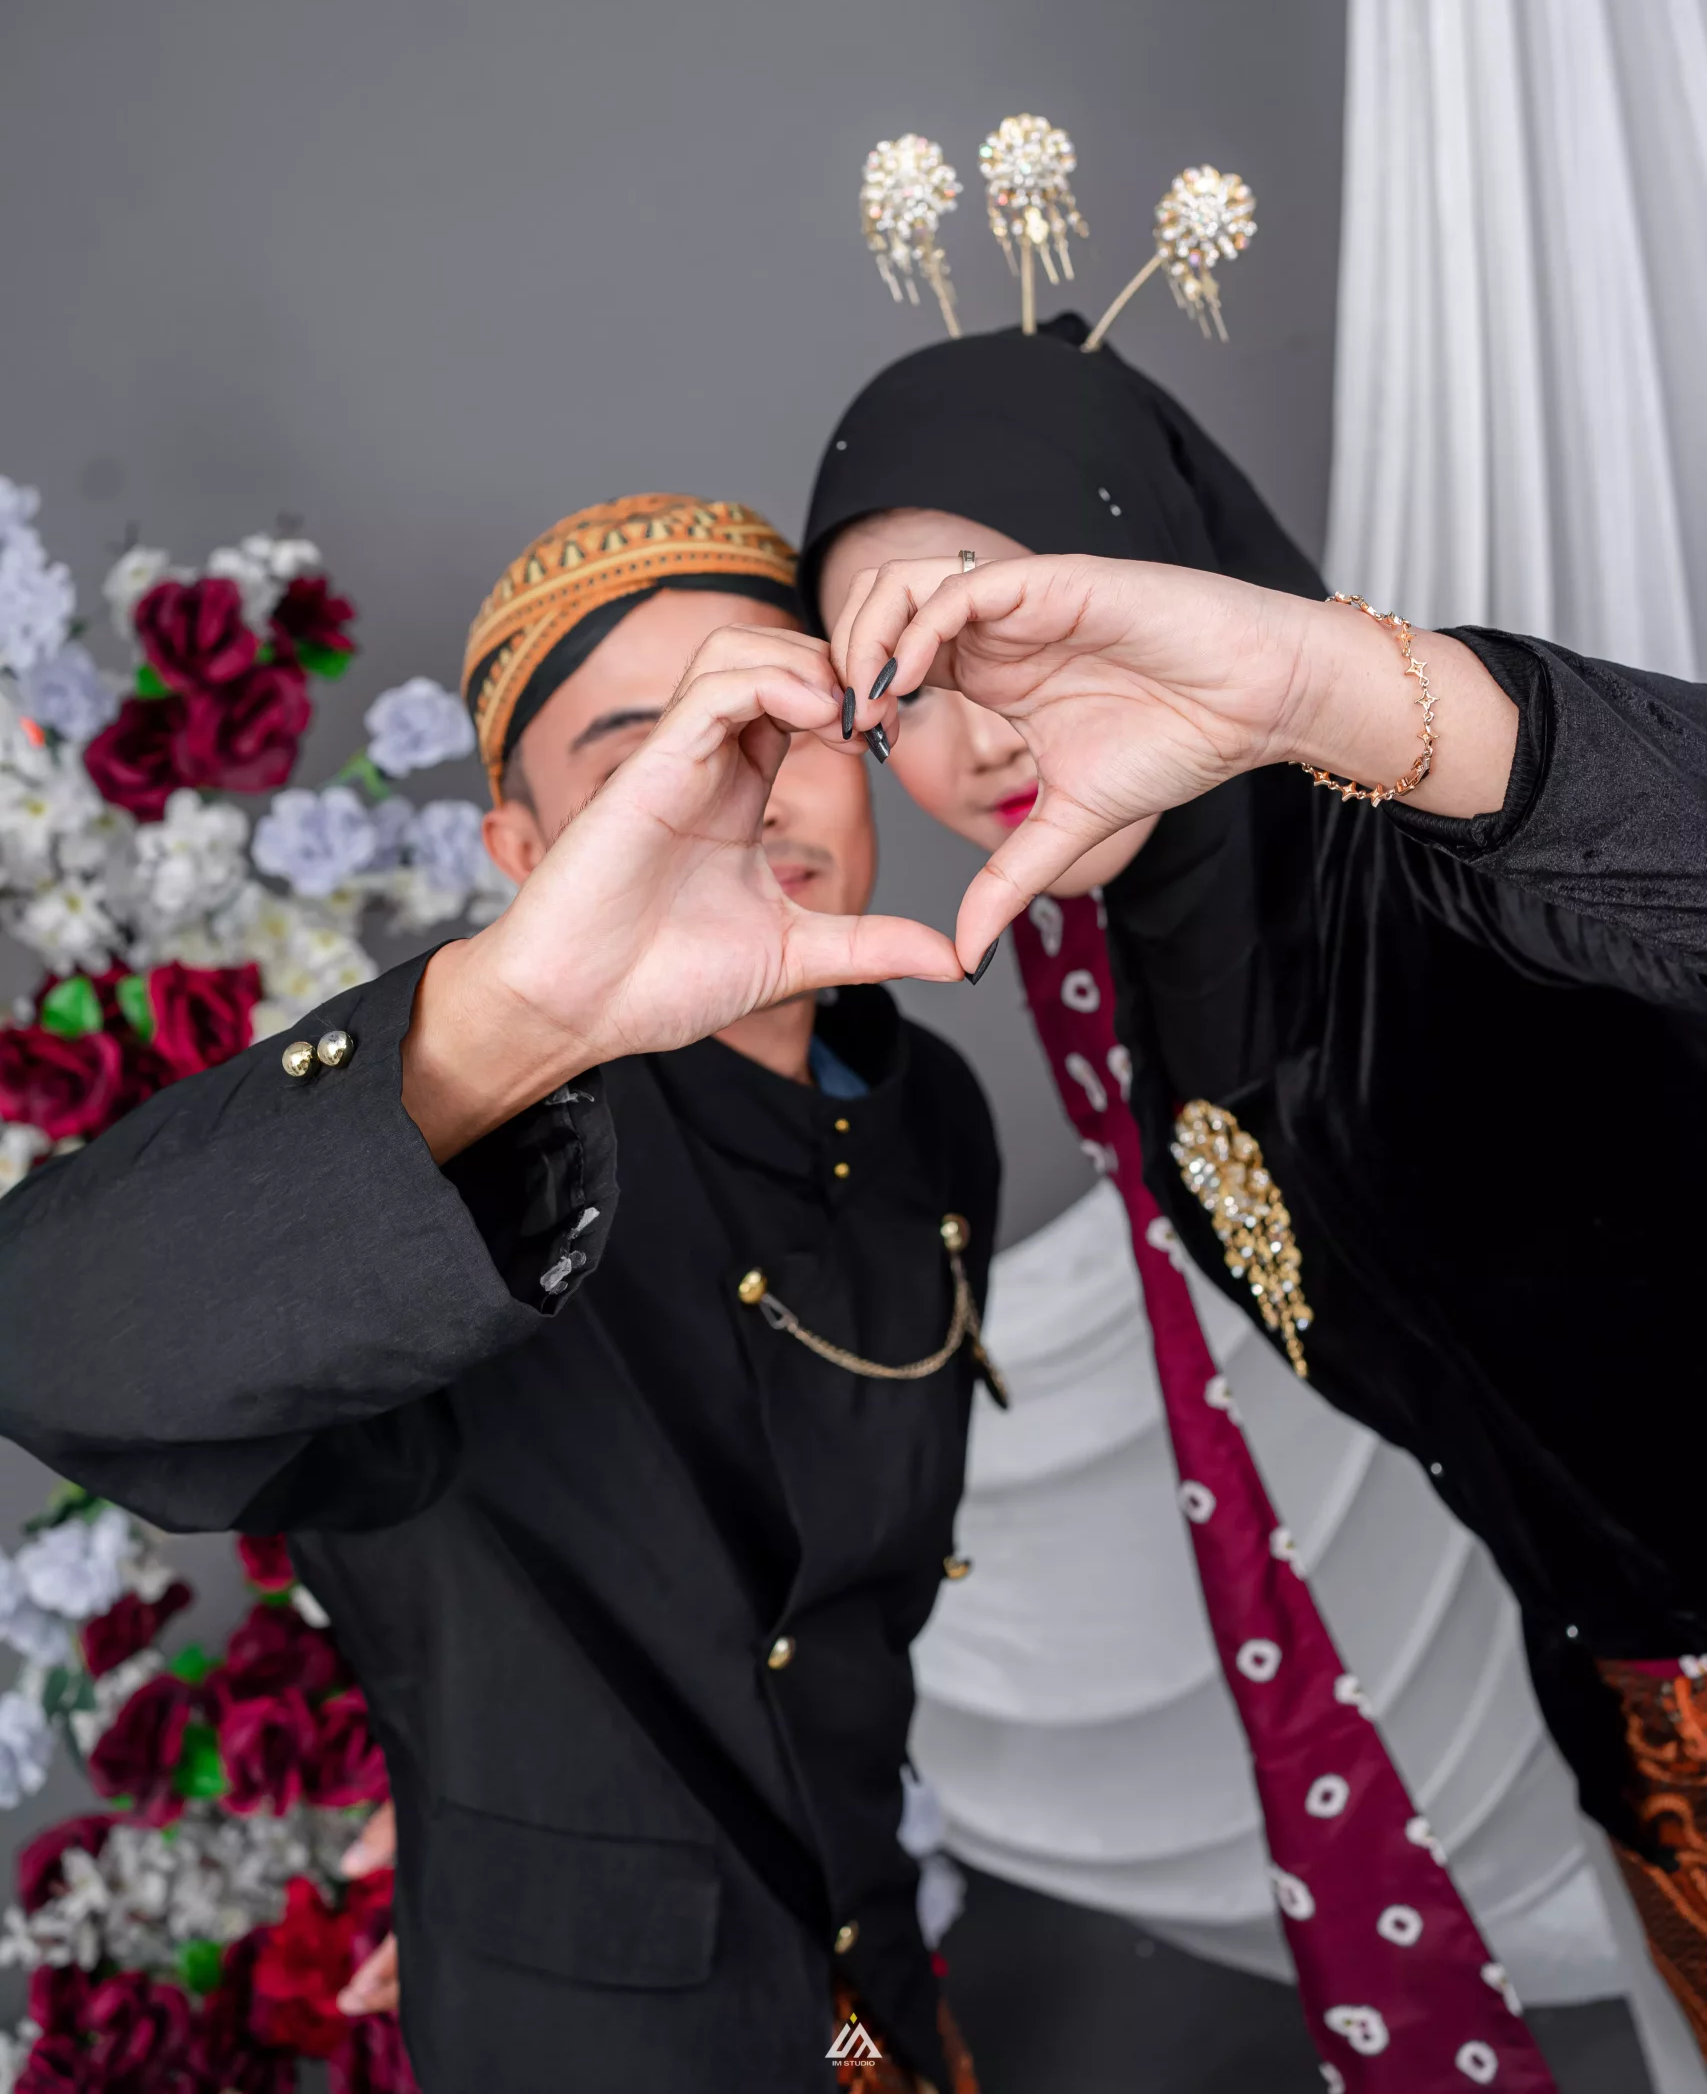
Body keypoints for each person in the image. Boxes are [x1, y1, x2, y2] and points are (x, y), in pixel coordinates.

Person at [0, 491, 999, 2094]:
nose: (737, 784)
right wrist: (510, 1022)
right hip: (593, 2032)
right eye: (641, 750)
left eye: (778, 715)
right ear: (527, 854)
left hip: (870, 1959)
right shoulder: (475, 1152)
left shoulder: (926, 1110)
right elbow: (49, 1338)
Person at [802, 316, 1707, 2059]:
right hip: (1643, 1770)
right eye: (902, 688)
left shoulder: (1422, 831)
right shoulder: (1143, 994)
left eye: (1002, 628)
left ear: (1144, 554)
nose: (970, 737)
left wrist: (1331, 693)